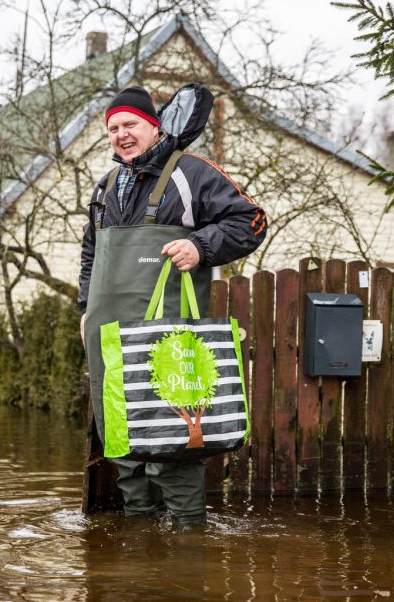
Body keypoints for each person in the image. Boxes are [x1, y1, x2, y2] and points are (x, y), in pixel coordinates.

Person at [78, 84, 267, 525]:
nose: (122, 134)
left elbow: (251, 221)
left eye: (131, 125)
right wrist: (85, 307)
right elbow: (90, 255)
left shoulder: (191, 173)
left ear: (154, 126)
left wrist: (201, 245)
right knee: (123, 444)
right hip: (108, 338)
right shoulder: (106, 187)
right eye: (113, 128)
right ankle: (143, 553)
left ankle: (187, 552)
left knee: (175, 443)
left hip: (171, 334)